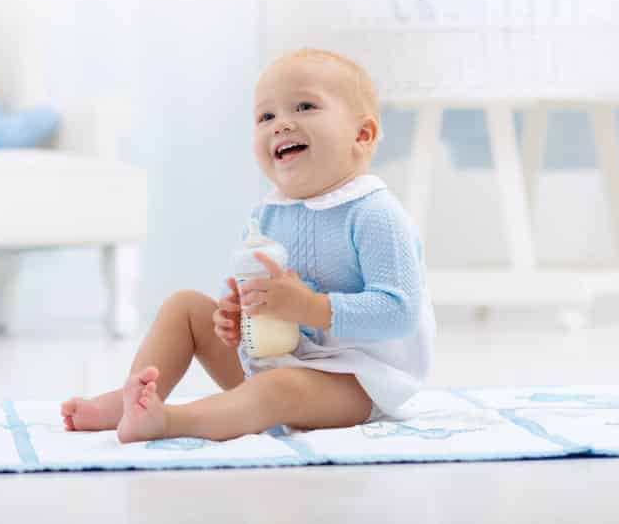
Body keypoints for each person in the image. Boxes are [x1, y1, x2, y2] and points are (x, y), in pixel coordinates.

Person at [61, 48, 435, 443]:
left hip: (353, 381)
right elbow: (240, 293)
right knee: (185, 307)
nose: (281, 124)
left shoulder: (374, 213)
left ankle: (169, 420)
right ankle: (131, 399)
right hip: (277, 360)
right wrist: (232, 318)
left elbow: (400, 312)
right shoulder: (268, 215)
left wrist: (311, 308)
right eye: (266, 116)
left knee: (277, 390)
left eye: (305, 106)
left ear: (362, 135)